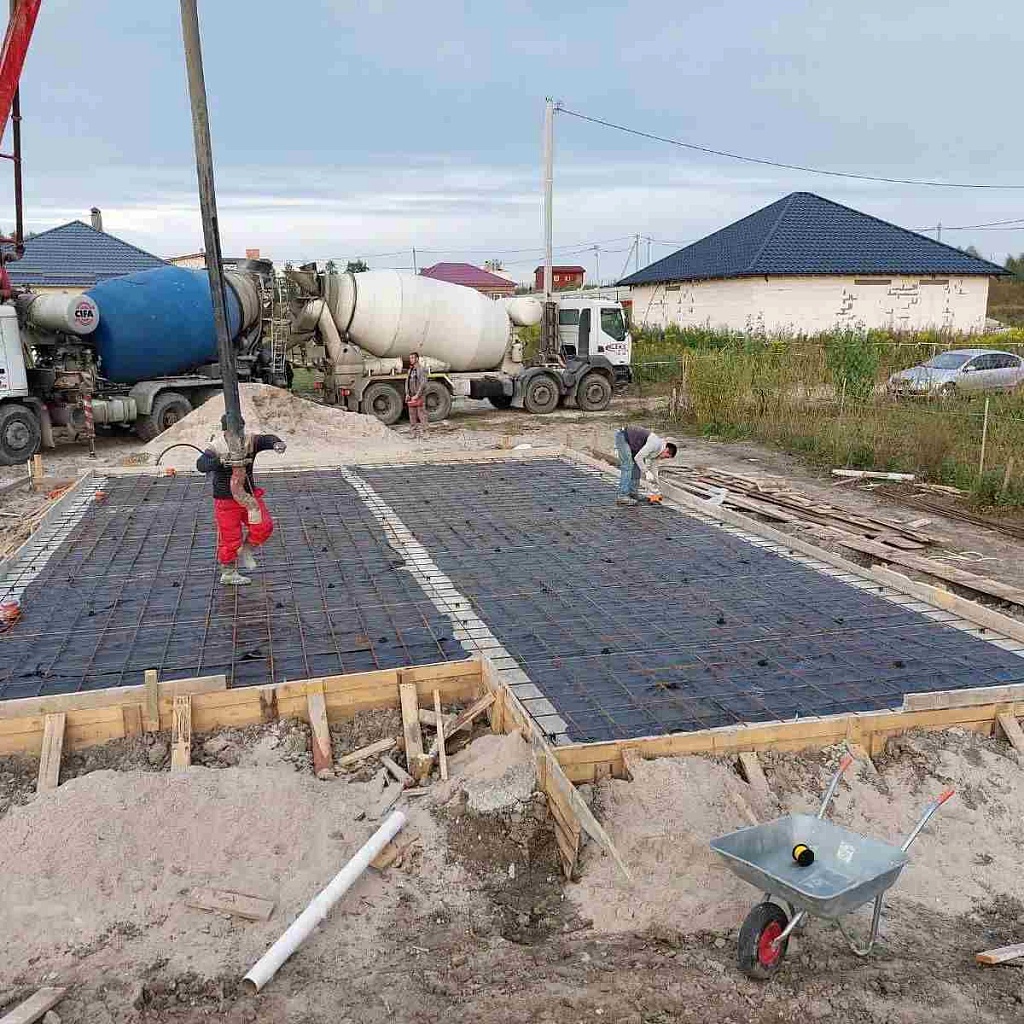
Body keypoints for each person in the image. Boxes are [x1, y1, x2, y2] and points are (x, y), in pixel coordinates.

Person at [196, 417, 287, 585]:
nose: (237, 435)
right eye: (233, 431)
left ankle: (247, 549)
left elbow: (266, 439)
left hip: (248, 497)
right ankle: (228, 572)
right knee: (230, 538)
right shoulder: (217, 446)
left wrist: (276, 443)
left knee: (263, 526)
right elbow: (201, 465)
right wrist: (219, 460)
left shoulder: (249, 442)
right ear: (225, 431)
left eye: (240, 430)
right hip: (226, 500)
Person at [614, 425, 677, 506]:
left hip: (634, 443)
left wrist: (656, 491)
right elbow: (638, 458)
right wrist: (646, 472)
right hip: (623, 436)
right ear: (666, 450)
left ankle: (633, 494)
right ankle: (622, 496)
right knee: (628, 465)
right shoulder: (655, 444)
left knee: (638, 466)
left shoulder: (658, 453)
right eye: (666, 457)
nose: (664, 458)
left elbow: (654, 470)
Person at [405, 351, 429, 439]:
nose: (411, 360)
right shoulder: (410, 370)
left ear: (417, 359)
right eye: (410, 358)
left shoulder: (421, 369)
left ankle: (425, 432)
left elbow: (423, 384)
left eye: (412, 358)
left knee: (421, 414)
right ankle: (413, 433)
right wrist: (407, 393)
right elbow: (407, 382)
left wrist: (417, 395)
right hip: (411, 396)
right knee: (412, 415)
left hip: (419, 396)